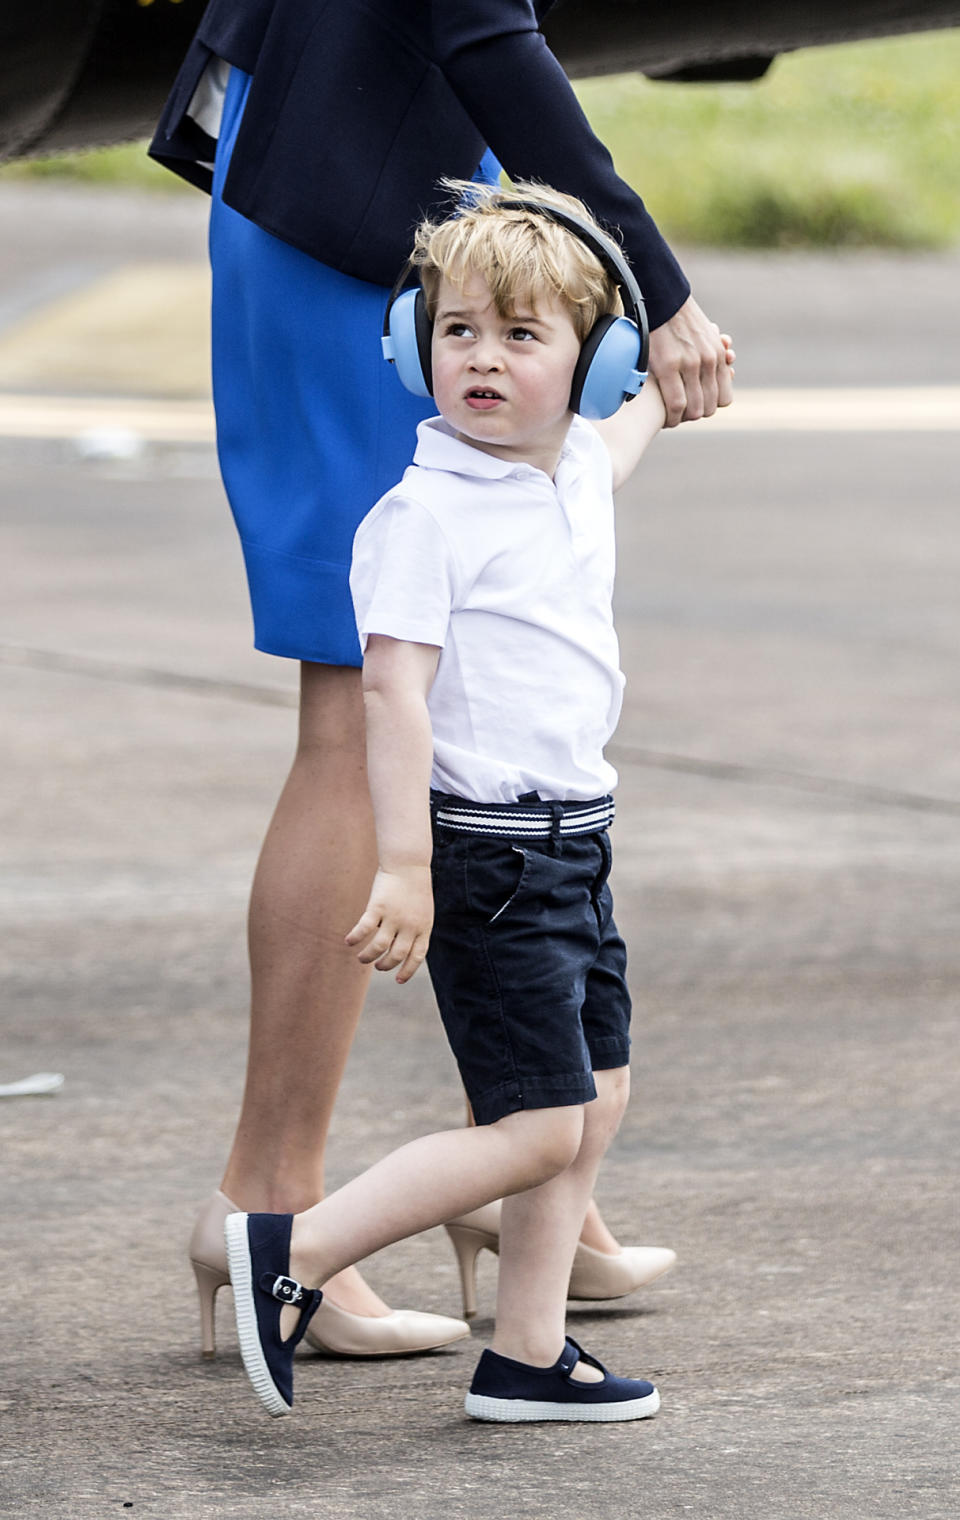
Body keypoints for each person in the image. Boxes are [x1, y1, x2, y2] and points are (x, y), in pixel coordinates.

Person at [149, 0, 733, 1356]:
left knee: (401, 685)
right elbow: (483, 34)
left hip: (346, 191)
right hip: (353, 238)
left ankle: (523, 1171)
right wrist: (654, 277)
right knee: (359, 706)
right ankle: (266, 1207)